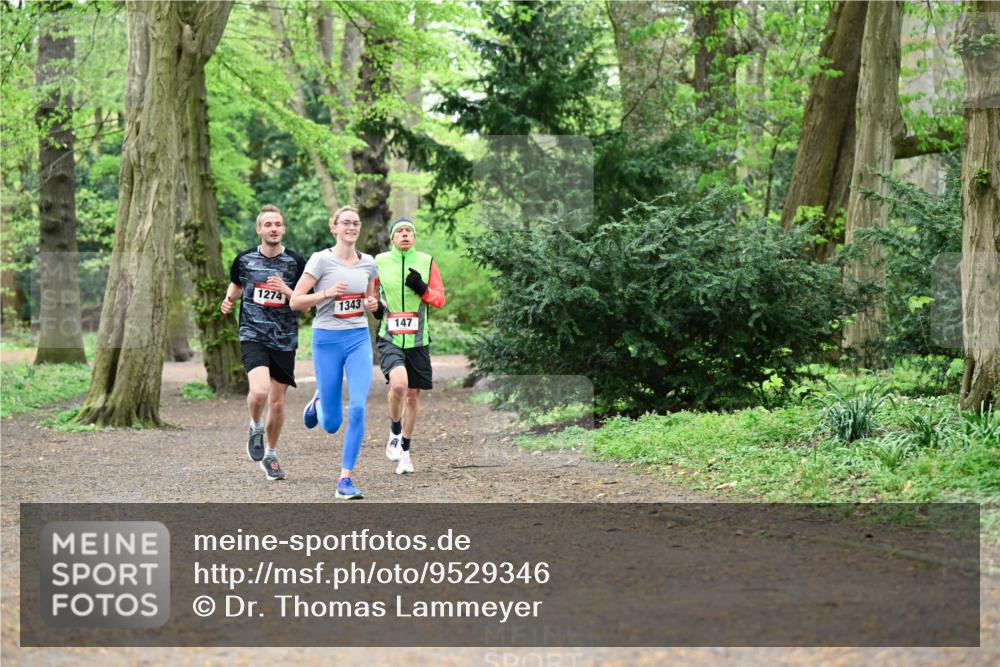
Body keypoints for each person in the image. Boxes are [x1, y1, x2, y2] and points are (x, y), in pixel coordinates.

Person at [290, 206, 379, 500]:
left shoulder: (369, 263)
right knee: (331, 425)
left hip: (358, 339)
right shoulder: (321, 259)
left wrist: (372, 304)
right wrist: (326, 293)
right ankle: (319, 401)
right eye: (346, 223)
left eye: (356, 223)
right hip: (326, 340)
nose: (351, 228)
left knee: (358, 408)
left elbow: (370, 298)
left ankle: (345, 480)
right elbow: (296, 301)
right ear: (334, 227)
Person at [222, 204, 305, 481]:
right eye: (268, 224)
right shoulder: (244, 259)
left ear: (284, 229)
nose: (273, 229)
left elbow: (305, 303)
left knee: (278, 404)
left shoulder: (296, 262)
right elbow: (237, 285)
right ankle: (255, 425)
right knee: (259, 392)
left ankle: (270, 455)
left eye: (278, 224)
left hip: (284, 339)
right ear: (259, 229)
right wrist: (228, 299)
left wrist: (286, 290)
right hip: (253, 334)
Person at [374, 217, 446, 475]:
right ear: (392, 238)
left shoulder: (426, 261)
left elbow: (440, 299)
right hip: (390, 336)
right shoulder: (379, 262)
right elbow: (371, 295)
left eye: (409, 231)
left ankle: (405, 451)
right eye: (399, 231)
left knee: (413, 397)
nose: (404, 234)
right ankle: (394, 430)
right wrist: (375, 307)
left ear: (414, 237)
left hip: (418, 339)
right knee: (399, 385)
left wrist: (423, 289)